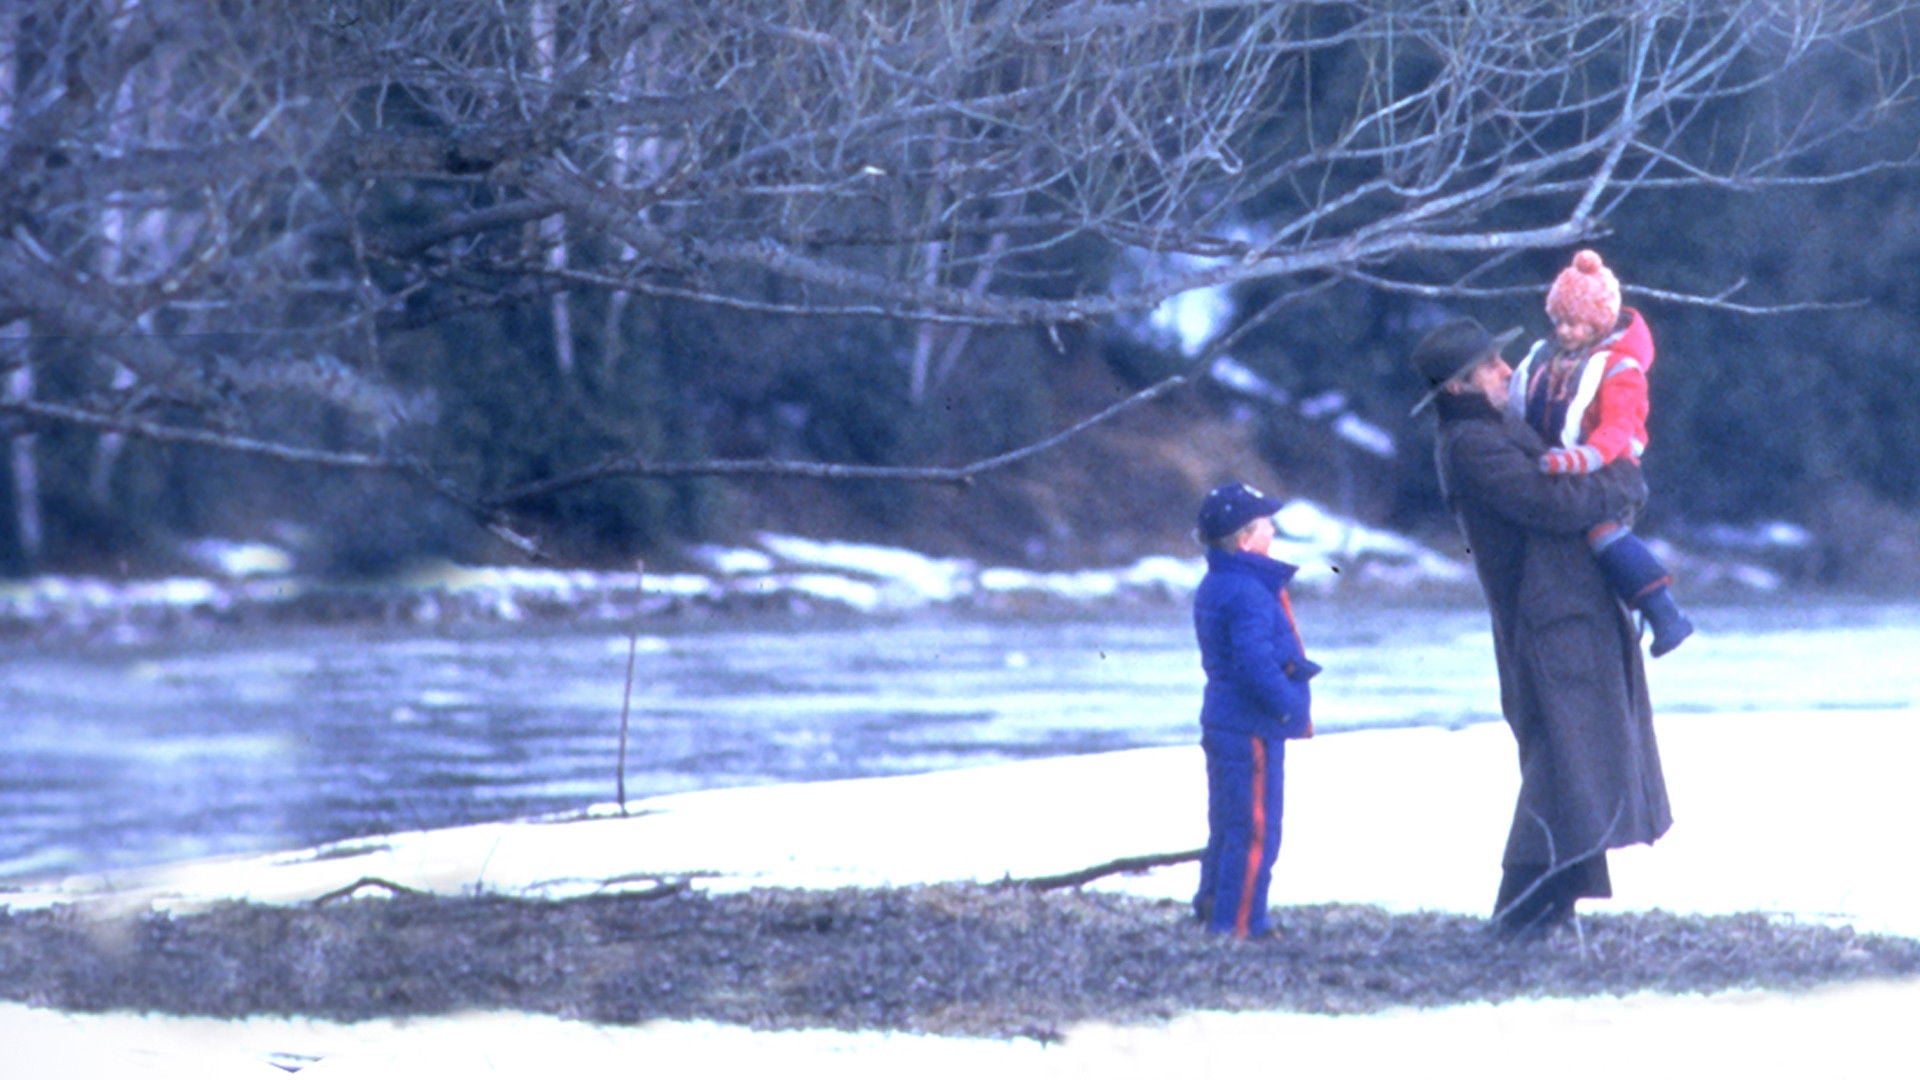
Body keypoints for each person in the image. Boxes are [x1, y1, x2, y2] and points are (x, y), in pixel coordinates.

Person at [1409, 318, 1673, 938]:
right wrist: (1625, 474)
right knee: (1563, 769)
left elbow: (1571, 487)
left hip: (1565, 615)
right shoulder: (1471, 443)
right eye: (1490, 365)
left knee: (1574, 766)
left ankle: (1545, 910)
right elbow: (1553, 503)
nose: (1507, 371)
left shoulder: (1496, 427)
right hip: (1546, 623)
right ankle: (1520, 917)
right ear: (1458, 387)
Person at [1508, 249, 1693, 657]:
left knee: (1603, 534)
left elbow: (1617, 429)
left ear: (1597, 322)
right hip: (1566, 467)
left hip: (1608, 469)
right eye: (1560, 322)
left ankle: (1664, 612)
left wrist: (1581, 459)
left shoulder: (1619, 371)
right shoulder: (1548, 360)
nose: (1566, 332)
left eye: (1575, 323)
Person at [1190, 481, 1319, 940]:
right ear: (1245, 539)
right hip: (1250, 727)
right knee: (1255, 830)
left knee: (1229, 823)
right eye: (1267, 525)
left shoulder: (1224, 581)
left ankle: (1213, 907)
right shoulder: (1246, 590)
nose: (1274, 531)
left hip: (1228, 721)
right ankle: (1240, 925)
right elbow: (1252, 664)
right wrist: (1288, 707)